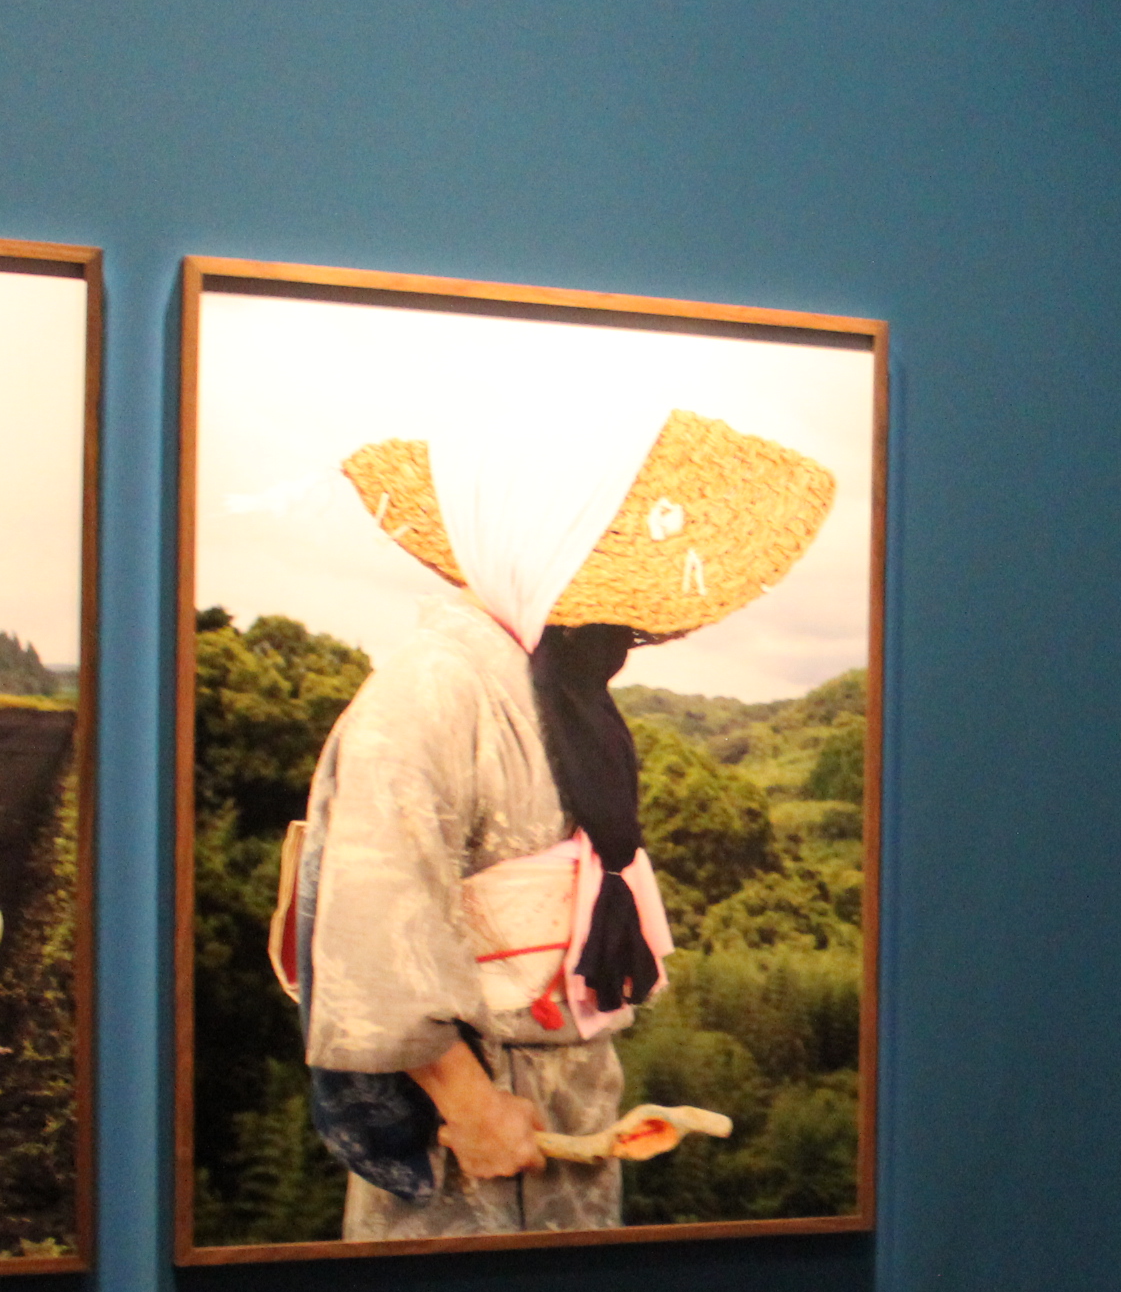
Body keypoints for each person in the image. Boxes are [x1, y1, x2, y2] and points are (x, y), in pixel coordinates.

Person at [282, 406, 835, 1239]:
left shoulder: (552, 691)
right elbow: (375, 921)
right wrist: (469, 1104)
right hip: (472, 1111)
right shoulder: (430, 690)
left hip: (571, 1084)